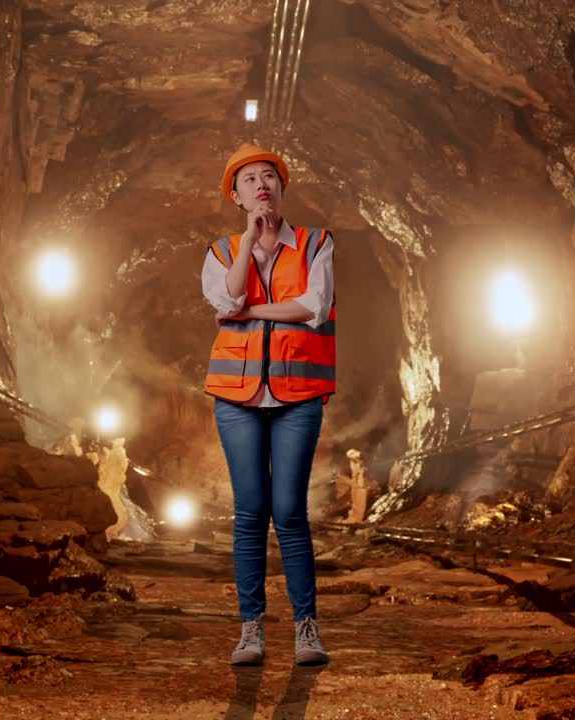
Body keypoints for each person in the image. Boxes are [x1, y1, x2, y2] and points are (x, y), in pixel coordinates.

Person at [201, 143, 336, 667]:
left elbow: (313, 307)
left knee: (290, 512)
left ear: (282, 187)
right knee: (250, 512)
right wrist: (246, 248)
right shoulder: (220, 253)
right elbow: (225, 299)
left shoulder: (316, 243)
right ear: (237, 197)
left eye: (269, 176)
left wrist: (251, 310)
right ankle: (251, 629)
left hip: (298, 396)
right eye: (249, 180)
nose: (261, 185)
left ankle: (306, 628)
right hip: (236, 398)